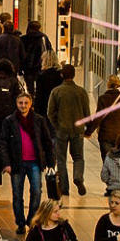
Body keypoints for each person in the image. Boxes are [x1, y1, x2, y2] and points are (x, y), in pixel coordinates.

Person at [0, 93, 55, 235]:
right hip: (17, 163)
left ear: (30, 104)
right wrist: (6, 163)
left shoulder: (39, 120)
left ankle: (32, 220)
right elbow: (3, 142)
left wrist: (50, 162)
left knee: (36, 191)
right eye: (20, 103)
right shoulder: (10, 121)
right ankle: (20, 223)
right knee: (17, 194)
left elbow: (47, 142)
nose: (23, 106)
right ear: (16, 104)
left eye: (25, 103)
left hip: (35, 162)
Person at [47, 64, 91, 196]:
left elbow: (50, 113)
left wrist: (56, 125)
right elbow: (87, 113)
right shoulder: (81, 92)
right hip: (77, 130)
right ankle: (78, 177)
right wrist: (87, 128)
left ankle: (64, 187)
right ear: (74, 75)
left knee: (61, 159)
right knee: (78, 157)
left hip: (61, 129)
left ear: (62, 75)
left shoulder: (56, 91)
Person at [86, 75, 120, 163]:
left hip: (105, 135)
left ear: (108, 84)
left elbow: (98, 118)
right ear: (118, 84)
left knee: (107, 163)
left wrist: (88, 131)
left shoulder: (102, 99)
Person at [20, 20, 52, 95]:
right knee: (40, 88)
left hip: (27, 68)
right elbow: (49, 50)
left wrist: (20, 69)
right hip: (41, 67)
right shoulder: (43, 38)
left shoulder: (23, 39)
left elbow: (20, 55)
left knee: (30, 89)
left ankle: (31, 103)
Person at [33, 51, 63, 119]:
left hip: (45, 109)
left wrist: (36, 113)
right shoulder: (61, 75)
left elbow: (39, 97)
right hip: (59, 108)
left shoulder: (41, 76)